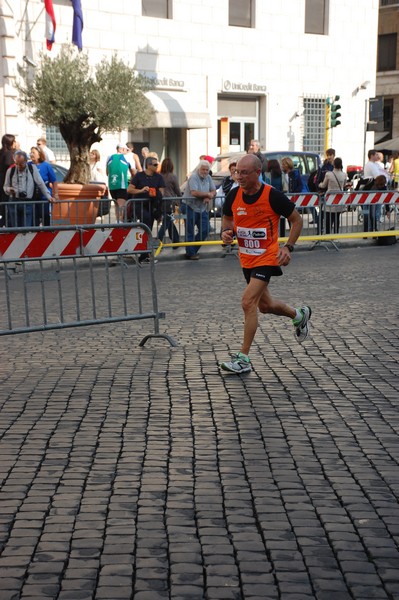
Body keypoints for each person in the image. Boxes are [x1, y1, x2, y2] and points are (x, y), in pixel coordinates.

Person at [219, 154, 311, 374]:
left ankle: (243, 359)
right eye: (236, 172)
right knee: (265, 306)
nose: (238, 177)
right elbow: (227, 217)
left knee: (247, 302)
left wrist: (288, 247)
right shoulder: (234, 195)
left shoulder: (272, 196)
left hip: (267, 258)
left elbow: (296, 220)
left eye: (244, 172)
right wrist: (226, 231)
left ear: (257, 173)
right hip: (247, 258)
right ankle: (299, 315)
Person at [127, 156, 165, 263]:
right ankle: (144, 253)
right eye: (155, 164)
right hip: (139, 204)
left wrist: (155, 194)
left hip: (152, 205)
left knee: (148, 227)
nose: (157, 166)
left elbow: (162, 192)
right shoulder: (139, 176)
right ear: (148, 165)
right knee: (146, 222)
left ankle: (145, 253)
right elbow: (129, 189)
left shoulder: (159, 177)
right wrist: (141, 190)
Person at [3, 150, 52, 227]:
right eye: (17, 163)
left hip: (28, 203)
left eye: (21, 164)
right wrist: (9, 190)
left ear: (26, 161)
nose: (19, 166)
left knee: (26, 228)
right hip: (14, 202)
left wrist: (49, 197)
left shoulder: (32, 168)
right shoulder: (10, 171)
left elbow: (41, 183)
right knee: (15, 229)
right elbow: (5, 186)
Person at [181, 160, 216, 260]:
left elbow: (213, 190)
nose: (205, 171)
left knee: (206, 229)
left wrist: (209, 196)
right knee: (190, 231)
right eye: (203, 169)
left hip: (202, 207)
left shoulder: (208, 177)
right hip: (189, 206)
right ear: (198, 169)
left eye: (207, 170)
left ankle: (191, 250)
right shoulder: (194, 177)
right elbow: (194, 192)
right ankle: (191, 253)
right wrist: (207, 194)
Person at [29, 146, 59, 225]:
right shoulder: (28, 165)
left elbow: (54, 181)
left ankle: (46, 235)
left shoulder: (46, 165)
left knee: (45, 217)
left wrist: (55, 195)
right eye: (30, 152)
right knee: (34, 218)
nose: (31, 154)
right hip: (32, 196)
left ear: (39, 155)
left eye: (33, 153)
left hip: (44, 197)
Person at [318, 157, 347, 234]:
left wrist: (319, 184)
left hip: (329, 198)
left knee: (328, 218)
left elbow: (323, 185)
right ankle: (336, 234)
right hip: (339, 198)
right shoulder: (344, 175)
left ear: (334, 164)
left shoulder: (328, 174)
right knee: (337, 218)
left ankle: (328, 235)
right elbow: (344, 185)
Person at [106, 144, 134, 222]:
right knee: (121, 206)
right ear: (122, 149)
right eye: (126, 150)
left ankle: (117, 221)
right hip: (122, 185)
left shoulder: (109, 157)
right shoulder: (127, 157)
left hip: (112, 185)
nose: (127, 152)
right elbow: (134, 172)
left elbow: (107, 172)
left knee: (116, 205)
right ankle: (120, 223)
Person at [158, 157, 180, 246]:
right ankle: (158, 239)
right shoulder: (173, 176)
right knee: (167, 221)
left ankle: (176, 240)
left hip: (161, 201)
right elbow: (177, 190)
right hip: (169, 201)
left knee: (168, 220)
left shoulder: (159, 176)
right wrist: (180, 199)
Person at [0, 134, 17, 226]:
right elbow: (10, 167)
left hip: (2, 182)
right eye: (14, 141)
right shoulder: (9, 154)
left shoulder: (2, 152)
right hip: (6, 184)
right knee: (7, 210)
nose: (15, 143)